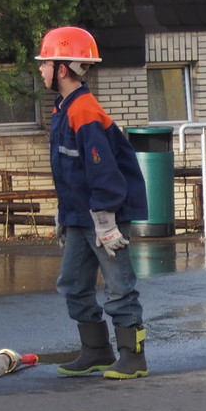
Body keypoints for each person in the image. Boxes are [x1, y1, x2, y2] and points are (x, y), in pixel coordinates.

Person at [38, 26, 152, 379]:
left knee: (119, 287)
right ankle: (96, 351)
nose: (40, 69)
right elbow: (72, 170)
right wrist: (65, 213)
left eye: (45, 63)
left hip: (103, 214)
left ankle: (133, 357)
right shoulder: (65, 108)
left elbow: (102, 171)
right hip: (80, 214)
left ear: (62, 68)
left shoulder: (83, 110)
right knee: (72, 283)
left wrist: (106, 220)